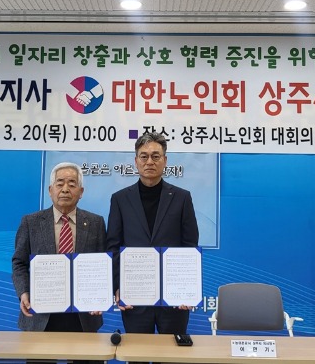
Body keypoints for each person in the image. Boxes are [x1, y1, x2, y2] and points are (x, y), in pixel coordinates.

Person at [107, 131, 199, 352]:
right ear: (136, 161)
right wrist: (118, 287)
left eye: (156, 156)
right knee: (137, 354)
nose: (150, 161)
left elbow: (190, 246)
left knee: (172, 356)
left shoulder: (182, 197)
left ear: (165, 160)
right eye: (144, 156)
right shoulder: (120, 199)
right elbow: (113, 246)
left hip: (173, 300)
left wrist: (186, 289)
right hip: (134, 297)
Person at [11, 162, 106, 364]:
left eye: (72, 184)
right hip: (41, 313)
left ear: (81, 192)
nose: (65, 189)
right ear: (50, 190)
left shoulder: (96, 223)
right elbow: (19, 262)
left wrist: (100, 297)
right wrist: (23, 292)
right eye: (60, 183)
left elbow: (103, 264)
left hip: (82, 315)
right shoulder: (31, 222)